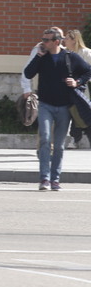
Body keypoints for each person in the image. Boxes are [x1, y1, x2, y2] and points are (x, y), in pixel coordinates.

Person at [24, 27, 91, 191]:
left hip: (64, 107)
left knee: (60, 145)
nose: (43, 43)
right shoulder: (42, 56)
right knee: (45, 139)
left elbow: (88, 70)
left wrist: (77, 82)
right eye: (43, 39)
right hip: (45, 105)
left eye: (46, 40)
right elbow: (28, 73)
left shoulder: (70, 57)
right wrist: (38, 56)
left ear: (56, 41)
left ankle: (55, 179)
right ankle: (44, 179)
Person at [63, 29, 91, 148]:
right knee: (71, 114)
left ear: (74, 40)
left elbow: (89, 71)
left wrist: (78, 81)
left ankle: (75, 139)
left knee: (81, 114)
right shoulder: (65, 53)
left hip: (82, 89)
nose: (64, 40)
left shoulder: (86, 53)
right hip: (68, 90)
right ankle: (73, 139)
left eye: (67, 38)